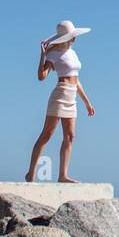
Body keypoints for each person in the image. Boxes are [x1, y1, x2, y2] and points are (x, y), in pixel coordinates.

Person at [26, 20, 95, 183]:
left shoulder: (73, 53)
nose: (74, 39)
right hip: (60, 94)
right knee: (47, 134)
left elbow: (76, 80)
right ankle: (31, 173)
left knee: (70, 136)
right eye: (72, 36)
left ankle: (63, 175)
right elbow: (41, 77)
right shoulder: (53, 53)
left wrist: (87, 102)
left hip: (72, 97)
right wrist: (42, 54)